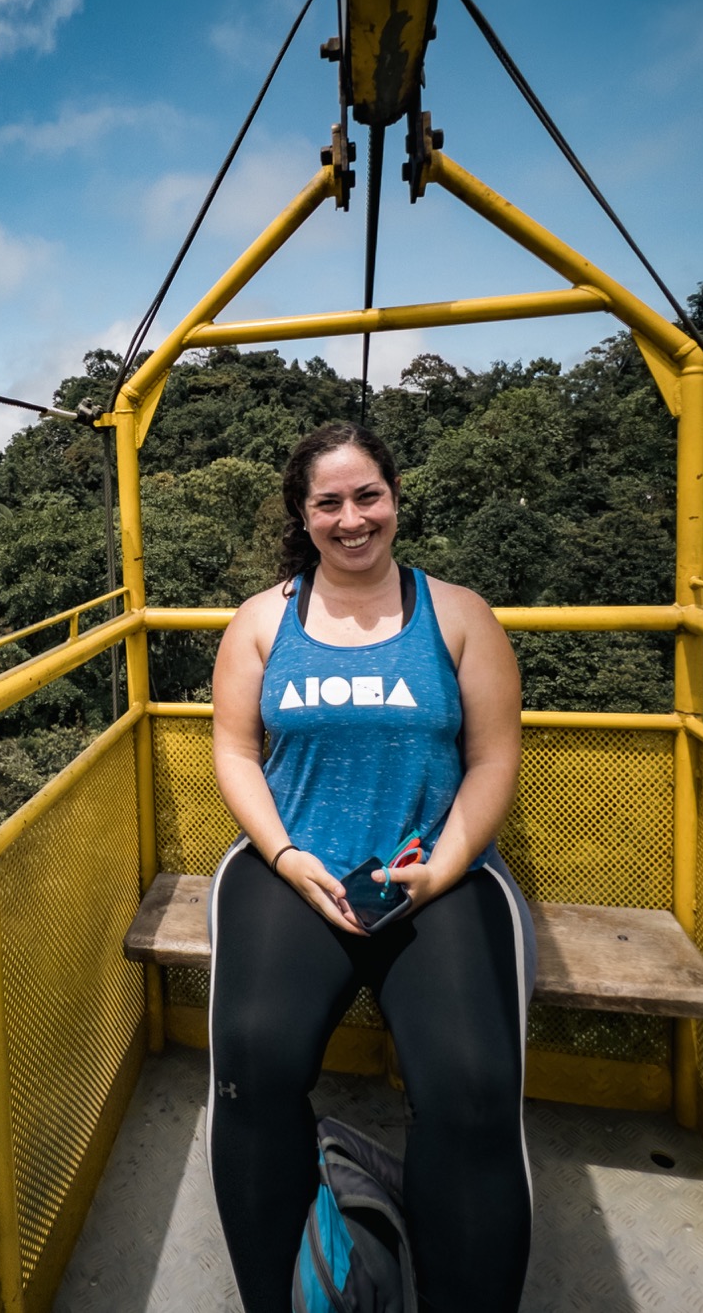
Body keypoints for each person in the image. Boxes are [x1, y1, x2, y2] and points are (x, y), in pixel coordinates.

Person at [207, 420, 534, 1312]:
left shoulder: (457, 615)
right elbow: (235, 752)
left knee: (472, 1087)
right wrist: (283, 854)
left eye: (368, 496)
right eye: (329, 503)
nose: (352, 519)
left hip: (431, 870)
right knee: (251, 1064)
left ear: (394, 499)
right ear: (302, 516)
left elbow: (494, 758)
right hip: (299, 868)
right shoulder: (265, 620)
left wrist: (451, 864)